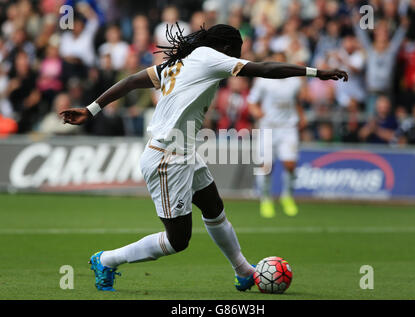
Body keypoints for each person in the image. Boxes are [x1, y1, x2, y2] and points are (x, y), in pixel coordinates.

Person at [60, 23, 348, 292]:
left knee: (214, 208)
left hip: (183, 152)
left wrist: (92, 108)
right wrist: (315, 72)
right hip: (166, 158)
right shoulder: (210, 57)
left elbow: (134, 80)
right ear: (227, 48)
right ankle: (107, 259)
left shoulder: (181, 63)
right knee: (177, 240)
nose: (240, 56)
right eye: (239, 49)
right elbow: (264, 69)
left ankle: (244, 270)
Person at [247, 52, 305, 218]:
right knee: (265, 166)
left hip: (288, 128)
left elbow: (297, 101)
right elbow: (252, 101)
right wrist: (258, 113)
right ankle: (265, 198)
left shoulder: (294, 81)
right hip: (268, 127)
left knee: (290, 164)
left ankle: (287, 196)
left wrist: (301, 116)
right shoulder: (263, 81)